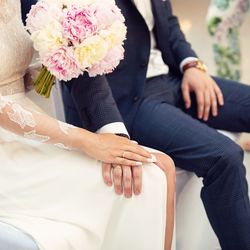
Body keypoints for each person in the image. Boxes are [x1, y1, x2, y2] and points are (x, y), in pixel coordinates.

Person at [63, 0, 250, 249]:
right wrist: (110, 130)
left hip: (174, 78)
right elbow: (80, 66)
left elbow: (168, 24)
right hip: (128, 99)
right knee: (224, 156)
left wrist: (192, 65)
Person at [0, 1, 176, 250]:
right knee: (151, 178)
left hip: (28, 125)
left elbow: (13, 75)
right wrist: (88, 140)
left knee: (160, 167)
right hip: (7, 152)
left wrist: (66, 56)